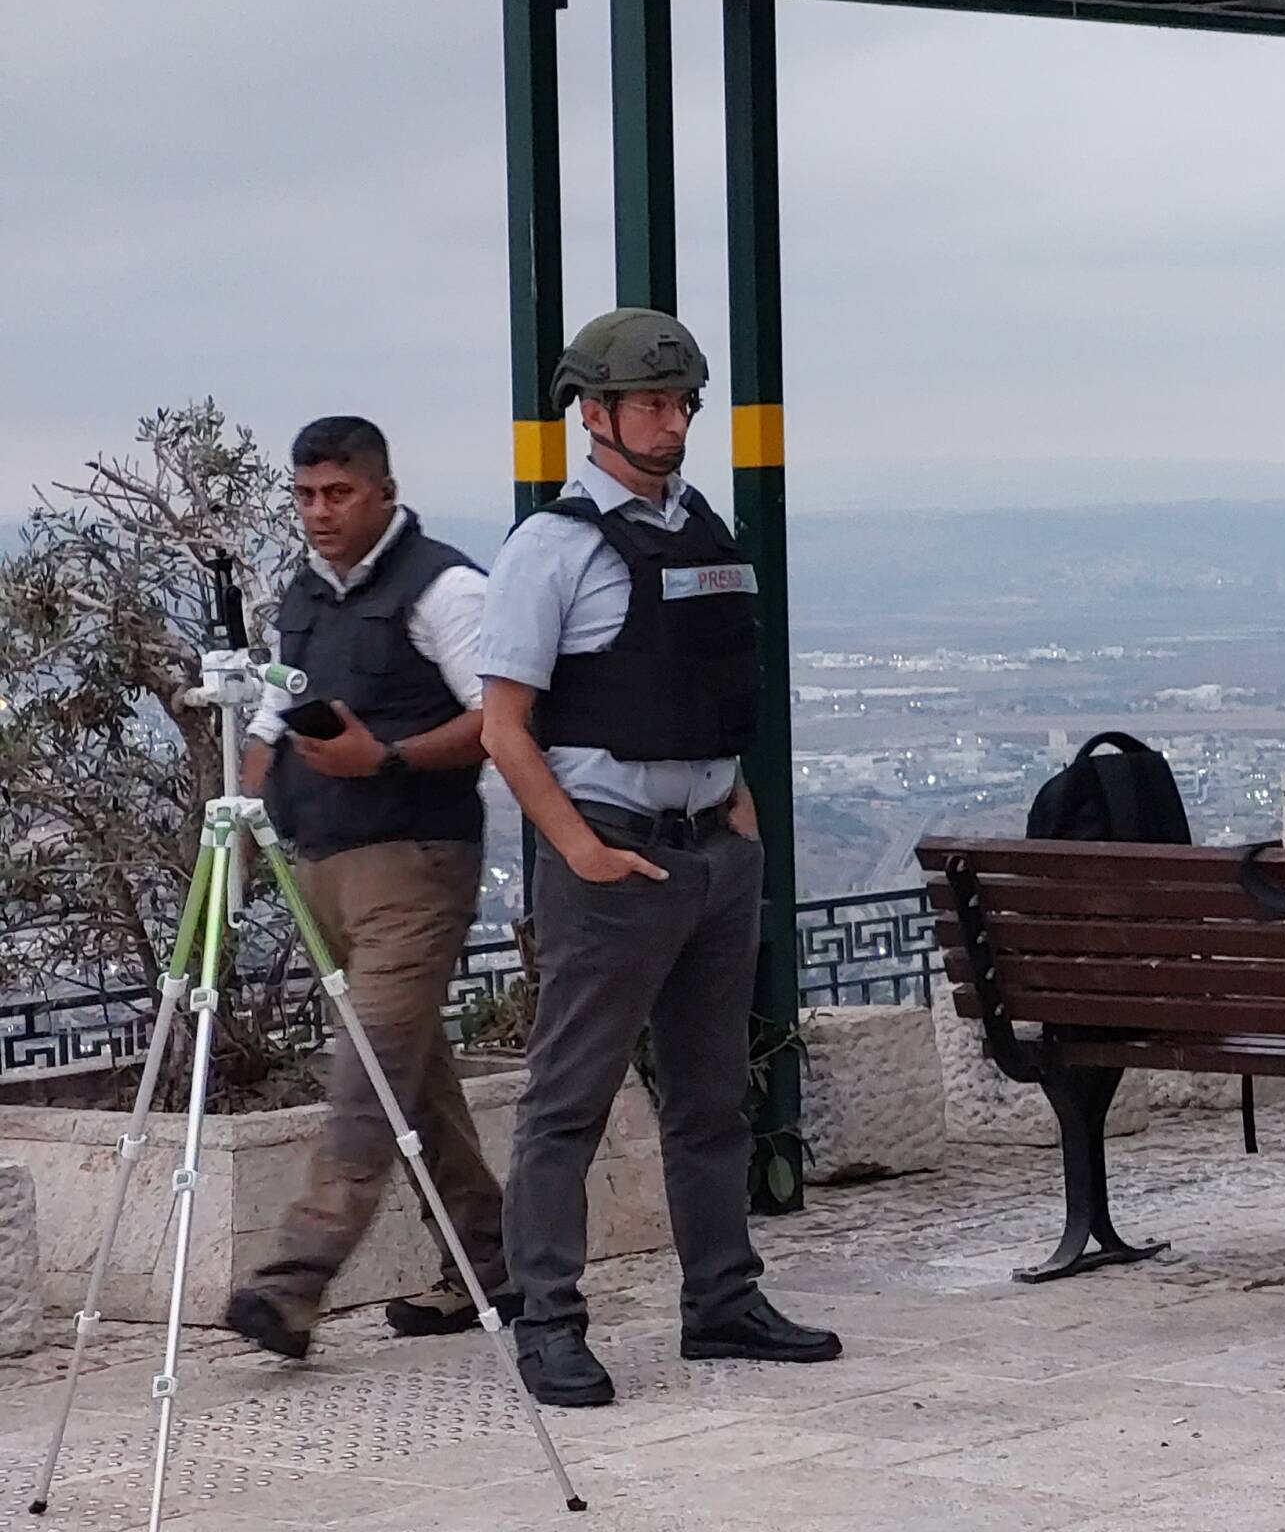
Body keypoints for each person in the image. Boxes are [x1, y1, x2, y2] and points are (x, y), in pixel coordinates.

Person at [478, 308, 839, 1408]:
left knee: (713, 1096)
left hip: (709, 857)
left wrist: (739, 818)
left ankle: (722, 1301)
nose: (673, 421)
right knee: (568, 1102)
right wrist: (580, 850)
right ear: (593, 413)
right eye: (650, 402)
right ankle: (548, 1320)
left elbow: (710, 694)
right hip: (616, 860)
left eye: (682, 401)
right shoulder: (553, 549)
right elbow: (504, 725)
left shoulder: (704, 530)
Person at [226, 418, 510, 1359]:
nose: (319, 513)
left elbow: (499, 722)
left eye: (337, 494)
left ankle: (290, 1285)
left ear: (382, 491)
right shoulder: (303, 596)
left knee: (366, 1078)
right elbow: (272, 715)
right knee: (415, 1082)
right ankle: (496, 1263)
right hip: (320, 868)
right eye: (305, 495)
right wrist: (245, 814)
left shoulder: (445, 589)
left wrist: (381, 755)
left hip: (415, 867)